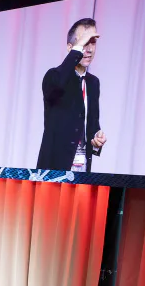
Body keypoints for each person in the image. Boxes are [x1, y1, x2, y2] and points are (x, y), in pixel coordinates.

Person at [37, 18, 105, 172]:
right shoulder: (54, 76)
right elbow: (58, 83)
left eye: (92, 43)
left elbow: (91, 123)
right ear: (70, 48)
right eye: (84, 43)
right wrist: (77, 49)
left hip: (83, 169)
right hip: (55, 169)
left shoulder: (93, 83)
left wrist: (96, 140)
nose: (89, 50)